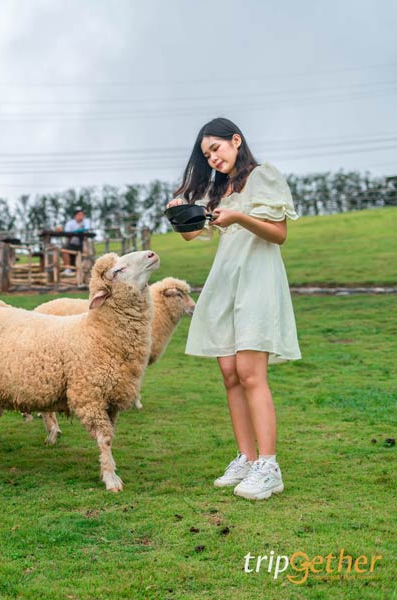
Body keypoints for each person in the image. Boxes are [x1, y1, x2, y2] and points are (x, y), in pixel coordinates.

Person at [166, 117, 300, 501]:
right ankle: (246, 457)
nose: (212, 158)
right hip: (226, 283)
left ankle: (269, 467)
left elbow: (279, 234)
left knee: (250, 373)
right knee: (229, 373)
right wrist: (178, 212)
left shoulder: (262, 176)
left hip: (257, 280)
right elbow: (193, 234)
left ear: (236, 140)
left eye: (216, 148)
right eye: (207, 154)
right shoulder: (220, 190)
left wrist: (239, 216)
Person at [62, 208, 91, 275]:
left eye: (82, 215)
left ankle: (86, 269)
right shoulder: (70, 223)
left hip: (82, 245)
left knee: (87, 250)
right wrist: (76, 232)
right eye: (79, 215)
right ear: (75, 216)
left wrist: (81, 230)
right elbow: (67, 234)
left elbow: (87, 229)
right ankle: (68, 269)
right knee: (64, 250)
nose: (81, 216)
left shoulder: (85, 222)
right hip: (72, 244)